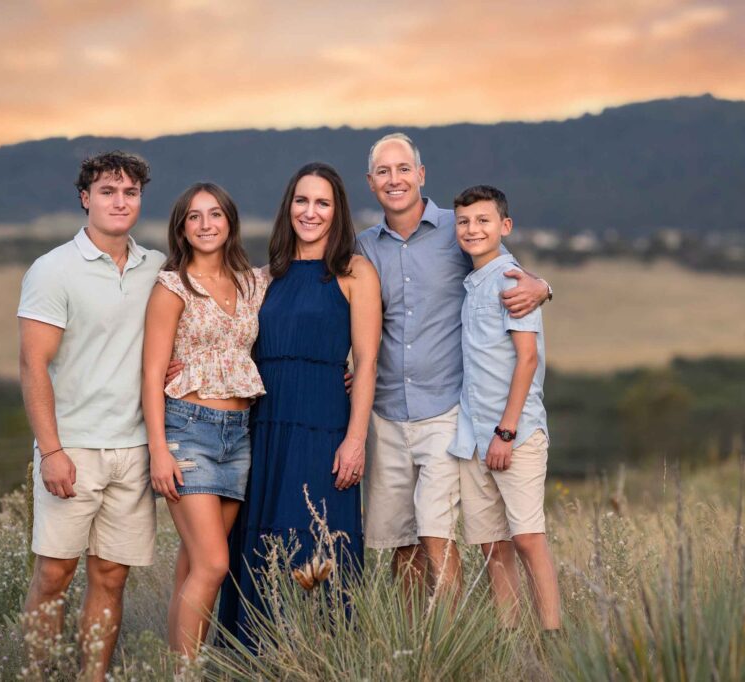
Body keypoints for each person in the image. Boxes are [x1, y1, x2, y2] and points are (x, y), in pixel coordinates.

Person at [356, 133, 552, 599]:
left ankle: (451, 641)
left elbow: (507, 272)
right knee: (402, 544)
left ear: (421, 175)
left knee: (437, 537)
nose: (394, 179)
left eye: (403, 168)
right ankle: (415, 648)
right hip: (385, 411)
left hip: (445, 409)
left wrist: (543, 285)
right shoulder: (365, 246)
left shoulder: (457, 228)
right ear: (370, 183)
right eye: (383, 171)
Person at [218, 162, 382, 649]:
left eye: (323, 203)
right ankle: (253, 658)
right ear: (288, 206)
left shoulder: (354, 272)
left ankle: (323, 656)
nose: (311, 212)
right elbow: (227, 345)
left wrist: (355, 440)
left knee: (317, 535)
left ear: (338, 212)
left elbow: (368, 362)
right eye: (302, 201)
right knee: (258, 540)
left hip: (324, 427)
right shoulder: (262, 277)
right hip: (263, 428)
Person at [18, 151, 164, 678]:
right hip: (72, 448)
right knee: (54, 574)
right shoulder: (53, 269)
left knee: (110, 576)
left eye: (129, 192)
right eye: (107, 191)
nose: (119, 201)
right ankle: (39, 675)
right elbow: (33, 365)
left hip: (135, 450)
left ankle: (92, 677)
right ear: (86, 198)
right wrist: (51, 452)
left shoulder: (157, 267)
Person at [141, 182, 269, 659]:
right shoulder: (172, 286)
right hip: (187, 430)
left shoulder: (251, 282)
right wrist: (158, 449)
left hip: (239, 435)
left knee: (195, 563)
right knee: (214, 563)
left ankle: (175, 664)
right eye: (194, 217)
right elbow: (152, 372)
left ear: (230, 222)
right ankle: (187, 673)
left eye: (215, 215)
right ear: (182, 228)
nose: (205, 224)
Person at [447, 184, 561, 630]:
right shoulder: (474, 282)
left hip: (513, 435)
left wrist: (506, 432)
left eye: (483, 220)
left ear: (504, 226)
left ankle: (552, 636)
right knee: (492, 547)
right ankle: (509, 640)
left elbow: (527, 358)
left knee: (529, 538)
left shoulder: (513, 281)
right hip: (474, 439)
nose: (472, 229)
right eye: (464, 221)